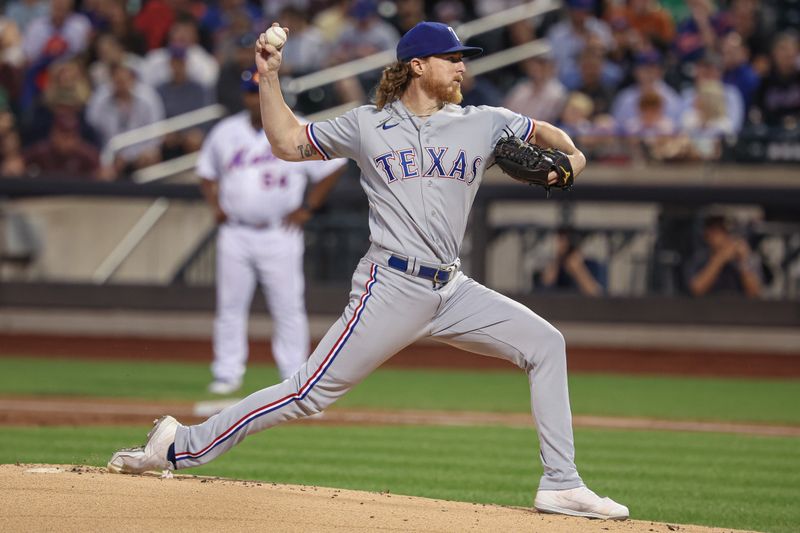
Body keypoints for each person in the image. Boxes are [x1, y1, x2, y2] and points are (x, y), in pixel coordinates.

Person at [108, 21, 629, 521]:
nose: (462, 69)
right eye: (452, 59)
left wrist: (573, 158)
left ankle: (561, 484)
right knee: (307, 394)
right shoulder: (366, 125)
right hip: (391, 286)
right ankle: (180, 445)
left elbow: (546, 133)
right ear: (417, 65)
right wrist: (269, 78)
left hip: (452, 288)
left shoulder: (484, 121)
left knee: (546, 344)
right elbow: (287, 143)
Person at [200, 66, 347, 395]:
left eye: (260, 92)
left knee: (288, 305)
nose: (255, 99)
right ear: (244, 97)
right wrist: (215, 205)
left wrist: (309, 207)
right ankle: (227, 373)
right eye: (251, 93)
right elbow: (206, 172)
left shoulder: (295, 126)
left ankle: (294, 374)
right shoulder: (226, 131)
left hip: (279, 232)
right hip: (235, 232)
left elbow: (333, 166)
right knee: (230, 305)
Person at [686, 215, 762, 297]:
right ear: (706, 235)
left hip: (738, 307)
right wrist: (720, 258)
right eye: (716, 232)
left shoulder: (745, 257)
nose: (722, 237)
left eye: (725, 232)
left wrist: (743, 262)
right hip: (707, 307)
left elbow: (755, 293)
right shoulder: (699, 258)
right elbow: (696, 290)